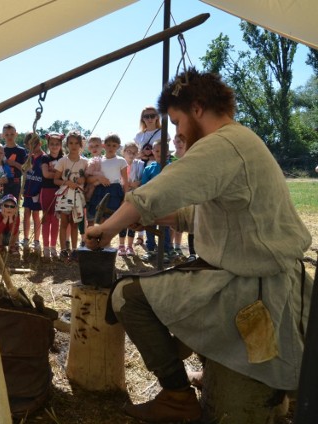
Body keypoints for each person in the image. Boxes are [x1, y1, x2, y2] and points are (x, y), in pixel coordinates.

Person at [85, 68, 313, 423]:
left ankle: (177, 396)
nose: (176, 132)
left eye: (176, 122)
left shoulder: (223, 143)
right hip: (254, 278)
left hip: (251, 289)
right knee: (179, 286)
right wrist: (154, 218)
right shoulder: (240, 141)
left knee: (127, 296)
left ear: (196, 108)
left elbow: (160, 189)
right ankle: (209, 368)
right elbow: (200, 213)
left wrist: (109, 227)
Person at [85, 133, 129, 256]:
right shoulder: (98, 160)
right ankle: (93, 245)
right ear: (104, 145)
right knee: (95, 218)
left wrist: (125, 197)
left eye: (114, 145)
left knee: (108, 220)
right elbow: (88, 179)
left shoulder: (121, 160)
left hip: (114, 190)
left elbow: (125, 181)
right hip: (99, 190)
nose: (110, 148)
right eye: (108, 145)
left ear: (118, 147)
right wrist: (100, 178)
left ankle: (106, 244)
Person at [53, 130, 87, 261]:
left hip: (78, 198)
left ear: (80, 144)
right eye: (71, 143)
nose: (74, 146)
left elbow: (86, 177)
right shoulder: (62, 161)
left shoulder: (84, 162)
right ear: (67, 144)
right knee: (64, 223)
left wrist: (83, 179)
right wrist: (67, 182)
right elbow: (55, 180)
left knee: (75, 224)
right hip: (64, 197)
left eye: (76, 143)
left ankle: (74, 250)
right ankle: (62, 250)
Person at [139, 139, 173, 263]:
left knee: (165, 227)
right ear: (153, 151)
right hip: (151, 203)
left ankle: (165, 250)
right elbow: (144, 187)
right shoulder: (149, 169)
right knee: (150, 226)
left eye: (163, 150)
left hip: (165, 203)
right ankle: (151, 249)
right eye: (157, 150)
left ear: (168, 151)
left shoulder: (172, 168)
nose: (160, 153)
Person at [40, 132, 64, 260]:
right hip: (46, 190)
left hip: (59, 192)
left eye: (57, 144)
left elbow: (63, 175)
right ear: (48, 145)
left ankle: (54, 247)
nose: (54, 146)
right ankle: (46, 247)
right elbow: (45, 174)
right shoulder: (45, 158)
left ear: (60, 145)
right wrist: (57, 173)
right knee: (46, 220)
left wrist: (53, 172)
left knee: (55, 220)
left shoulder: (63, 158)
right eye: (52, 144)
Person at [118, 141, 145, 256]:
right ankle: (121, 245)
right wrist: (126, 185)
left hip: (134, 196)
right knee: (122, 221)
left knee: (133, 221)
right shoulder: (119, 163)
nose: (131, 154)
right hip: (122, 195)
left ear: (137, 154)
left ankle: (130, 246)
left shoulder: (140, 164)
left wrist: (136, 183)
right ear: (123, 152)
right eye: (129, 151)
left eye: (134, 152)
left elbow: (142, 179)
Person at [20, 132, 44, 253]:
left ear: (40, 143)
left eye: (34, 146)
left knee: (36, 215)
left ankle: (36, 241)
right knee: (26, 214)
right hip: (28, 191)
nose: (32, 149)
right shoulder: (27, 158)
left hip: (37, 191)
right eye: (29, 147)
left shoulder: (44, 158)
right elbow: (24, 173)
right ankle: (25, 239)